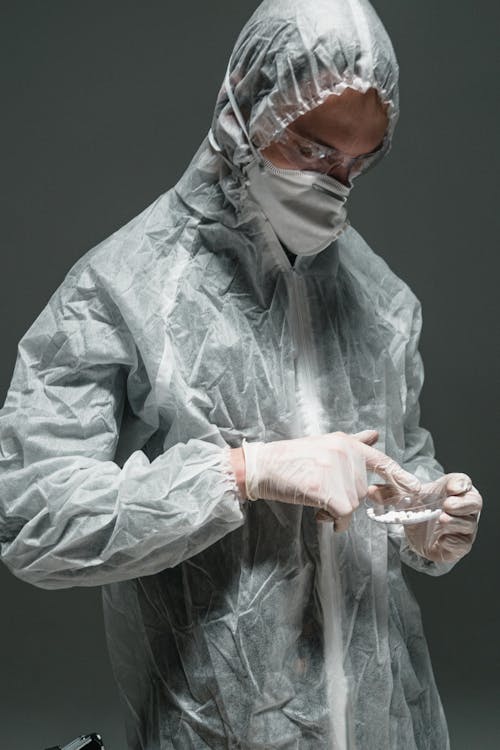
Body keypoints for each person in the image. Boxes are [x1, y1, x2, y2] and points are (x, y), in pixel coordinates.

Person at [0, 1, 482, 748]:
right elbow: (32, 517)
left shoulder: (380, 301)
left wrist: (429, 518)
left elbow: (401, 464)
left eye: (358, 162)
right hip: (219, 724)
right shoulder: (124, 288)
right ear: (243, 106)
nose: (336, 183)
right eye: (315, 150)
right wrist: (241, 471)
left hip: (392, 723)